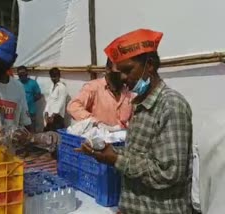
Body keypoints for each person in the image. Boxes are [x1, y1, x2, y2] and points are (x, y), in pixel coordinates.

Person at [76, 29, 193, 214]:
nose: (123, 78)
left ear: (150, 65)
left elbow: (169, 173)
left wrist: (116, 159)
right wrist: (107, 151)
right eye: (120, 72)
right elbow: (139, 155)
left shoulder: (171, 105)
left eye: (128, 70)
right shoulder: (139, 104)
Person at [67, 58, 133, 128]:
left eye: (126, 71)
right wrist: (95, 123)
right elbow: (73, 106)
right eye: (120, 71)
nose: (124, 76)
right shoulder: (93, 87)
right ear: (108, 70)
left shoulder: (129, 94)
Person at [17, 65, 42, 132]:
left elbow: (39, 95)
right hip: (18, 112)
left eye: (23, 73)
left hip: (30, 112)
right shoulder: (16, 83)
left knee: (31, 131)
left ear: (27, 73)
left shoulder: (33, 83)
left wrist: (30, 101)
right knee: (19, 132)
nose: (22, 75)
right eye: (20, 74)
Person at [43, 67, 68, 132]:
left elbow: (61, 102)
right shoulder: (52, 86)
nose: (53, 78)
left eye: (54, 76)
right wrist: (46, 112)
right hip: (49, 116)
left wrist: (53, 116)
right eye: (51, 77)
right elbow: (49, 100)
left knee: (56, 138)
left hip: (57, 117)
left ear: (58, 76)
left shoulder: (62, 87)